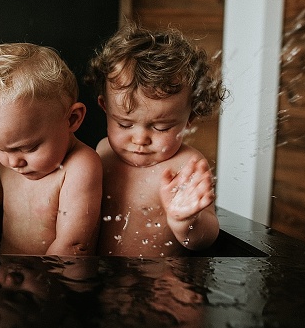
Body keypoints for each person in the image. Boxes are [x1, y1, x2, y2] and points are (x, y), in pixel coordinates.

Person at [84, 21, 227, 257]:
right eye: (124, 124)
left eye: (161, 127)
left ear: (189, 118)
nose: (140, 139)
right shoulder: (103, 151)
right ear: (105, 107)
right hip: (103, 274)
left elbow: (206, 239)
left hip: (159, 276)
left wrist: (186, 221)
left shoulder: (186, 166)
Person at [0, 43, 102, 256]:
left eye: (29, 148)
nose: (13, 162)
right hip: (10, 271)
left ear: (72, 119)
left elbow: (72, 244)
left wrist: (44, 276)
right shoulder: (6, 162)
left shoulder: (80, 166)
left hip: (58, 274)